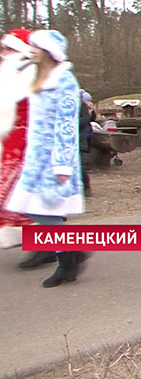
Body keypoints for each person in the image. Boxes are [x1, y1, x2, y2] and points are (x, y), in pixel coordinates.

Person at [5, 30, 85, 287]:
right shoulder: (38, 75)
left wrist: (62, 164)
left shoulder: (65, 81)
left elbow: (66, 125)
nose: (32, 51)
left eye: (36, 47)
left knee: (45, 212)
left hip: (53, 158)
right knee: (30, 208)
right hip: (35, 156)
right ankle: (70, 254)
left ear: (49, 51)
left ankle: (67, 261)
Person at [0, 28, 35, 250]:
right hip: (8, 141)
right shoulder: (8, 72)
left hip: (26, 141)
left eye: (8, 48)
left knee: (19, 192)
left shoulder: (30, 73)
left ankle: (54, 245)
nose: (3, 53)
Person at [78, 90, 96, 197]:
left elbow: (85, 120)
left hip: (79, 138)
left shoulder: (81, 105)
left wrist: (70, 123)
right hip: (66, 139)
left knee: (79, 166)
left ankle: (86, 186)